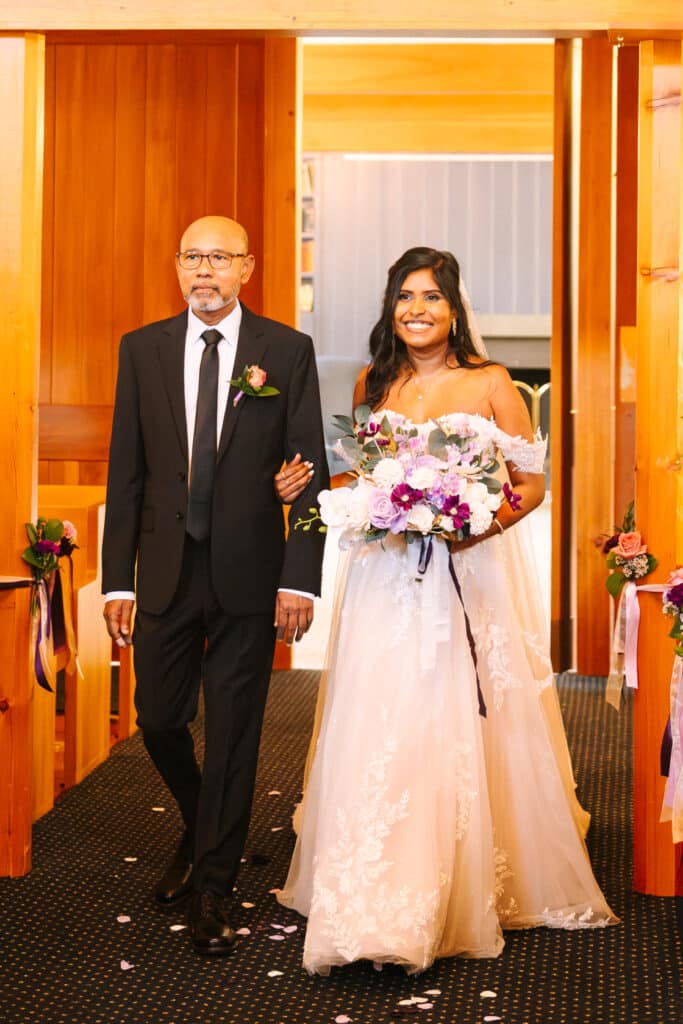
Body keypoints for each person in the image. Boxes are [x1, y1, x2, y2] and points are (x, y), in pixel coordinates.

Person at [275, 247, 616, 975]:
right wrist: (346, 493)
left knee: (455, 710)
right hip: (385, 577)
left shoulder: (490, 382)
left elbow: (530, 482)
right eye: (404, 296)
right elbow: (366, 471)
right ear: (390, 308)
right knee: (381, 709)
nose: (416, 309)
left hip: (464, 571)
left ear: (455, 309)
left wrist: (468, 527)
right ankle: (372, 879)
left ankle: (453, 880)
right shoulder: (378, 381)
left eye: (431, 296)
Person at [102, 215, 329, 956]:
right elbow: (126, 473)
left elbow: (309, 473)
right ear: (177, 267)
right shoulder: (142, 350)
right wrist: (116, 584)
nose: (205, 270)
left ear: (247, 268)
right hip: (166, 569)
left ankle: (214, 889)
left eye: (220, 258)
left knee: (235, 735)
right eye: (193, 257)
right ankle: (204, 826)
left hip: (249, 574)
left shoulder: (285, 352)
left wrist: (300, 579)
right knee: (157, 716)